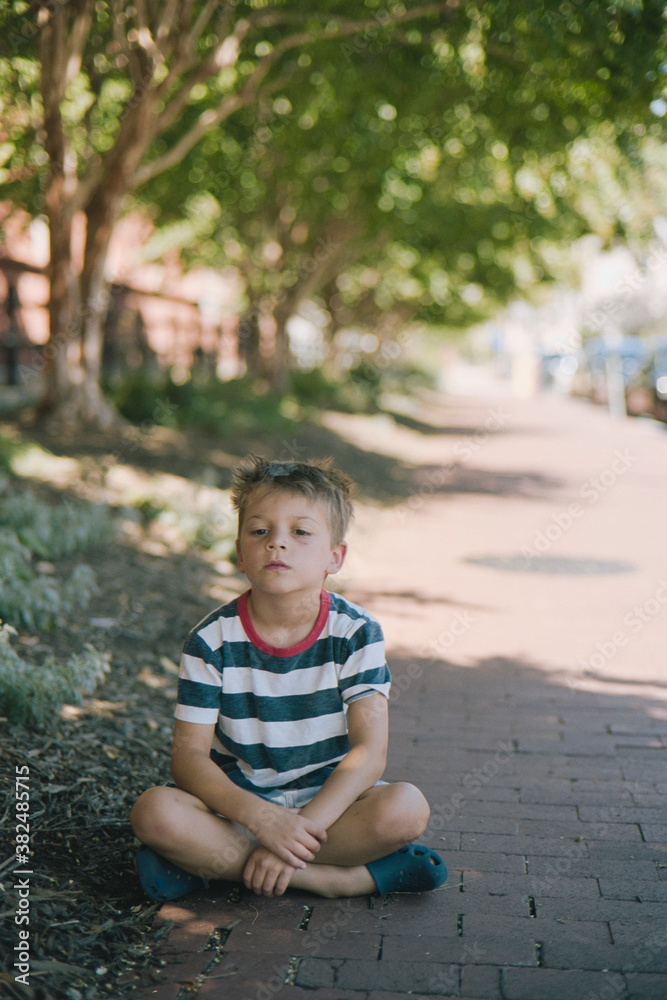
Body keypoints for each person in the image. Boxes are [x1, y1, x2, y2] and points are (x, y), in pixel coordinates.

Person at [131, 455, 446, 901]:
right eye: (260, 531)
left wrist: (300, 829)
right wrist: (265, 823)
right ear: (241, 553)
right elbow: (188, 761)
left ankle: (215, 867)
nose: (277, 544)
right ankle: (337, 879)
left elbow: (369, 753)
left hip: (330, 809)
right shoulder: (210, 640)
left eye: (300, 532)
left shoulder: (356, 633)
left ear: (334, 557)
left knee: (405, 809)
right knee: (154, 813)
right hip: (238, 806)